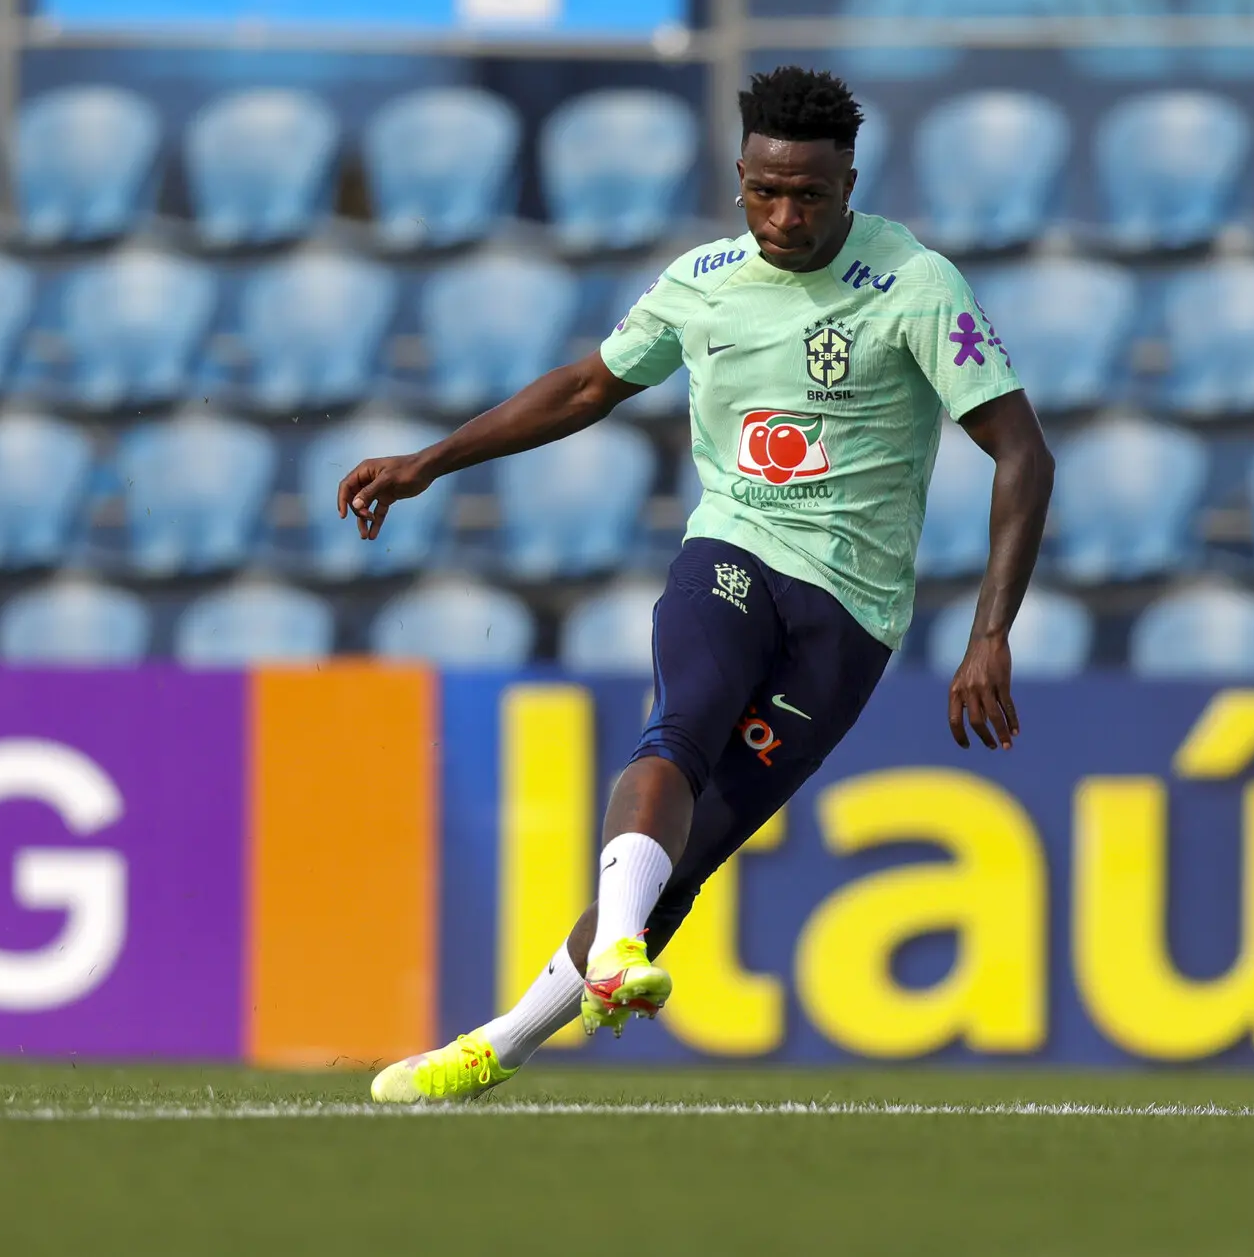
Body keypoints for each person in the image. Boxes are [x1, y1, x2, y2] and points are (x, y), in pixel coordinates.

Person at [346, 67, 1053, 1104]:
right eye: (765, 191)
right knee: (682, 721)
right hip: (733, 548)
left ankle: (504, 1041)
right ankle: (607, 956)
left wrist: (989, 633)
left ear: (849, 185)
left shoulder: (915, 283)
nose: (784, 217)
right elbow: (586, 386)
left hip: (851, 614)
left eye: (808, 196)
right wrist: (429, 461)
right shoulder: (702, 279)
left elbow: (1021, 452)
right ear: (739, 177)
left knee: (688, 855)